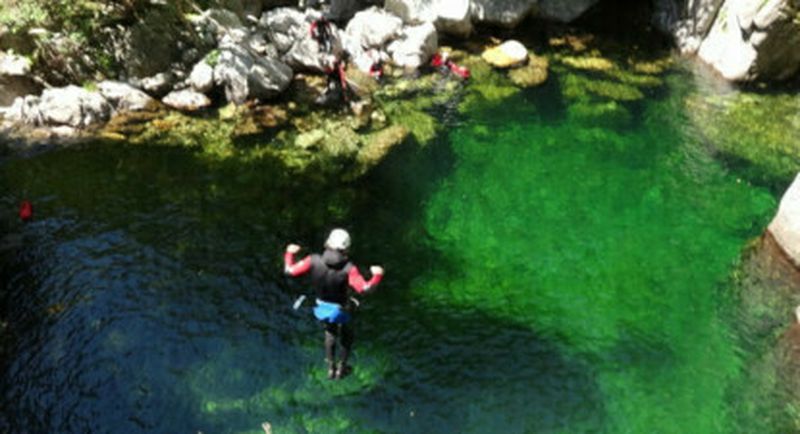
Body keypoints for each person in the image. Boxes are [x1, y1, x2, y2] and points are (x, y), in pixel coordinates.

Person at [284, 228, 384, 379]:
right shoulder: (349, 269)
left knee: (329, 332)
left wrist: (289, 253)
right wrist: (377, 275)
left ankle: (330, 367)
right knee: (347, 335)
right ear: (346, 249)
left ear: (327, 243)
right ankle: (342, 367)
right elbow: (364, 289)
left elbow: (290, 270)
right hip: (341, 309)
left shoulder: (313, 260)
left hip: (321, 308)